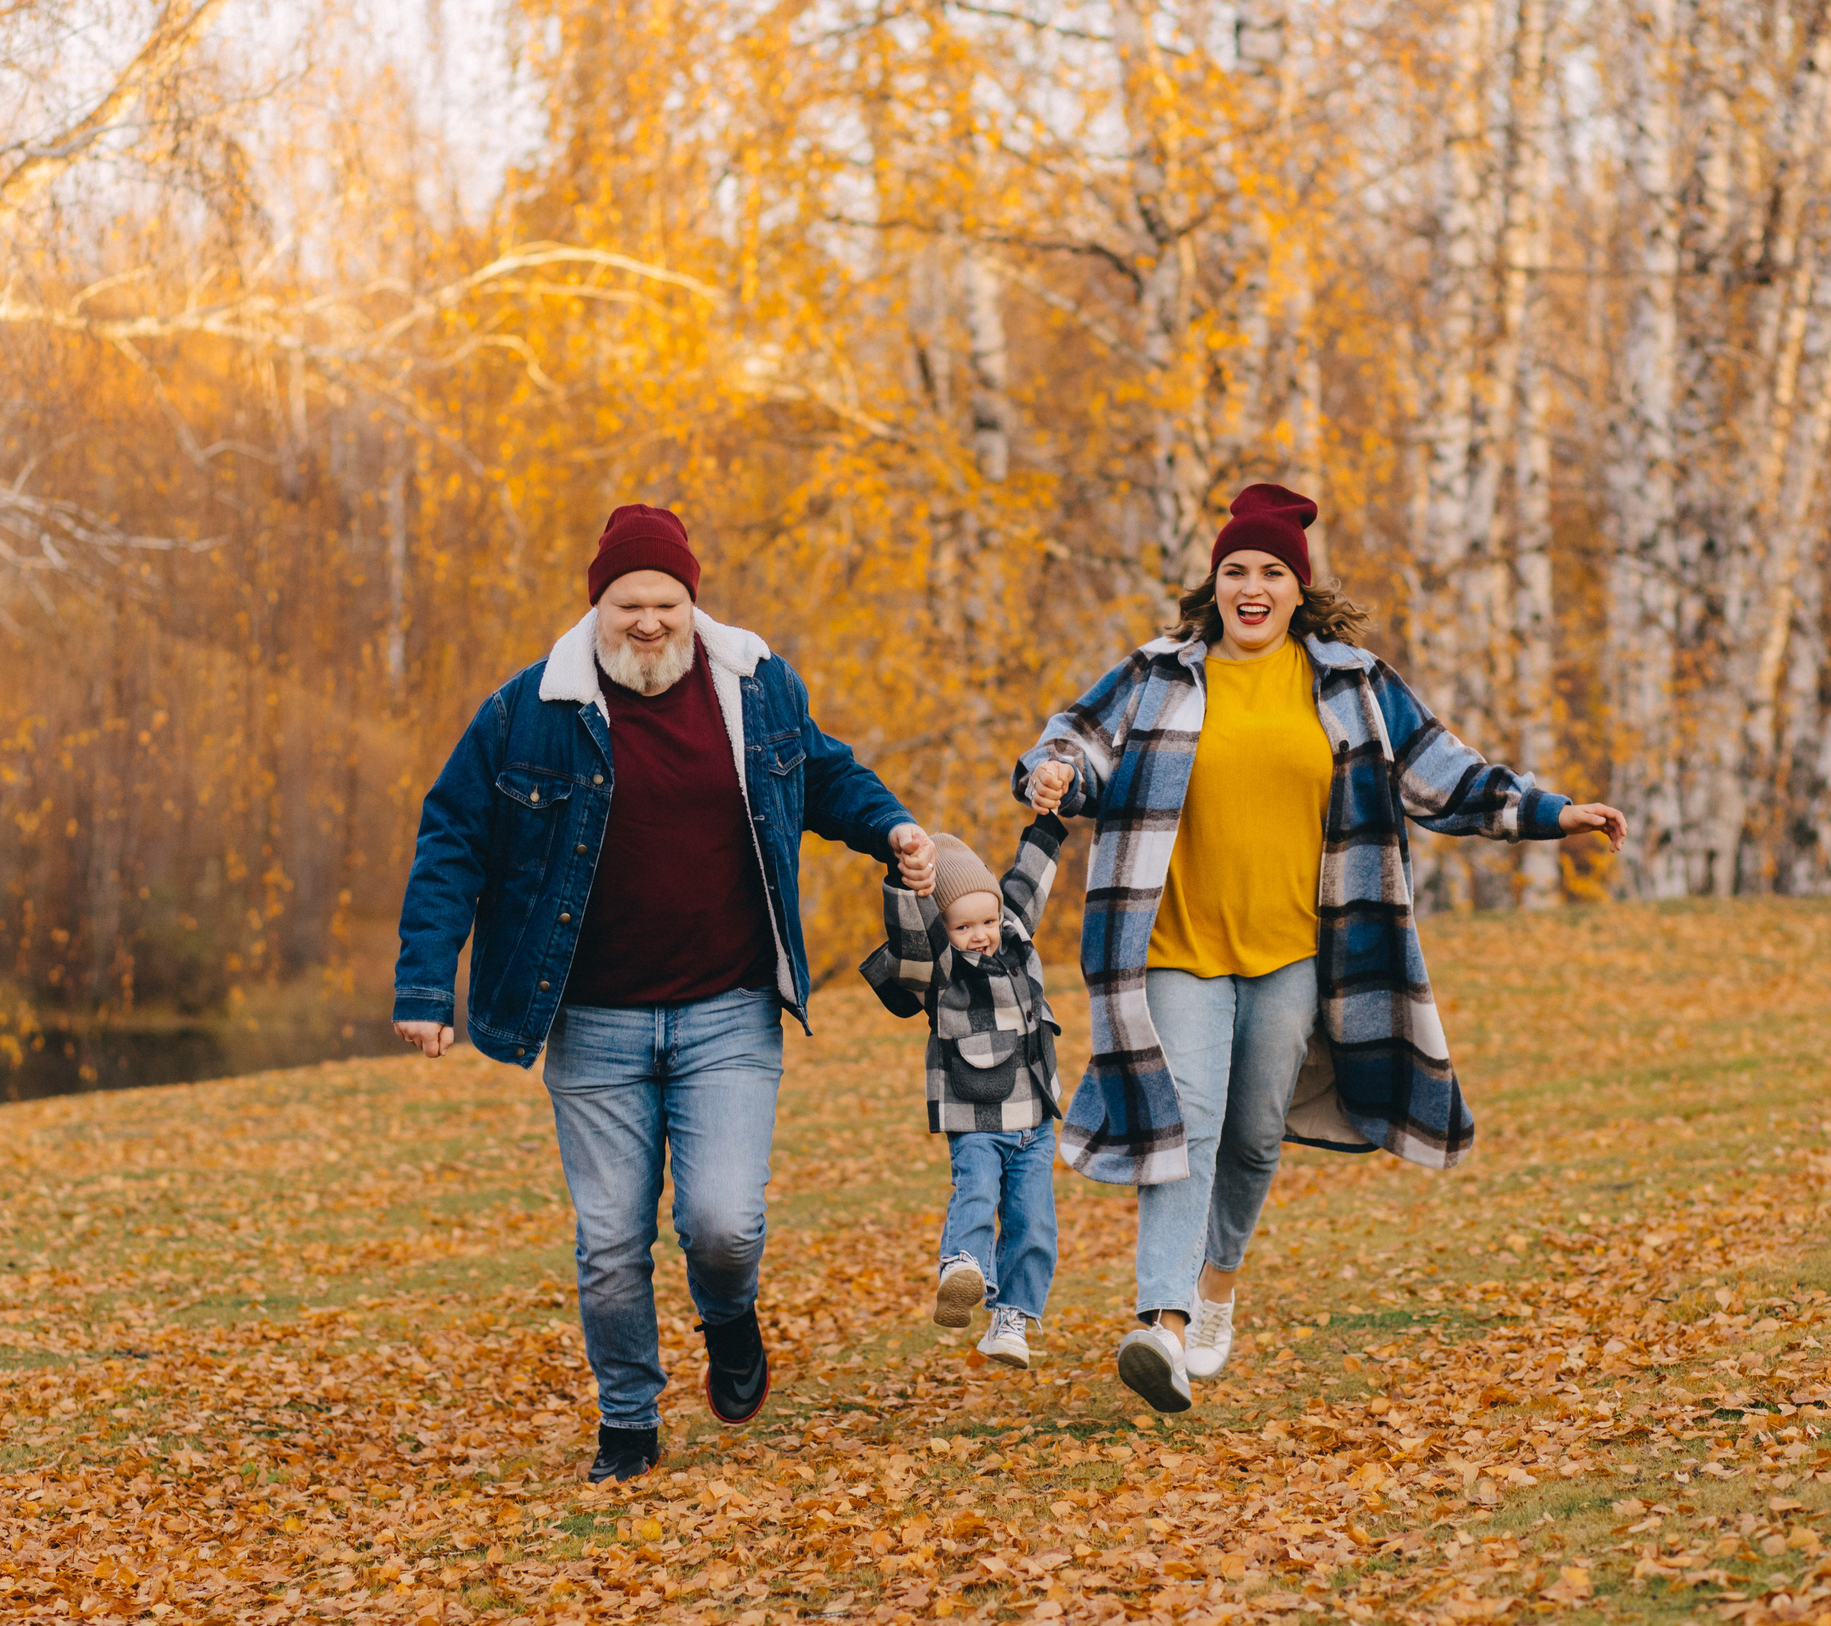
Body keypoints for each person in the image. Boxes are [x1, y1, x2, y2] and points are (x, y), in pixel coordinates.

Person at [1018, 483, 1627, 1414]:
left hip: (1299, 953)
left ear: (1299, 589)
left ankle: (1216, 1289)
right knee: (1189, 1121)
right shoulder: (1157, 674)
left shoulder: (1352, 683)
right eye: (1235, 571)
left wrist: (1549, 813)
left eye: (1270, 572)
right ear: (1213, 586)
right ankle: (1165, 1328)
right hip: (1175, 943)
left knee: (1256, 1133)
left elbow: (1446, 775)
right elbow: (1078, 743)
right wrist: (1054, 771)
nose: (1252, 587)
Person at [391, 503, 937, 1483]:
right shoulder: (528, 712)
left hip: (727, 1009)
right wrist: (427, 984)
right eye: (628, 603)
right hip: (593, 1024)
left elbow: (821, 772)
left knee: (722, 1226)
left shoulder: (754, 690)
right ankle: (629, 1424)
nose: (648, 622)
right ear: (597, 604)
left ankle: (729, 1323)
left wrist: (889, 828)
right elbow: (452, 839)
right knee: (609, 1243)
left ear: (693, 602)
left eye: (666, 602)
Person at [859, 819, 1068, 1368]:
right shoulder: (942, 967)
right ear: (943, 930)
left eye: (988, 920)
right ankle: (963, 1267)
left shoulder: (1014, 934)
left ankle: (1012, 1321)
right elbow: (913, 939)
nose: (981, 934)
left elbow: (1029, 879)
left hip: (1035, 1119)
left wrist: (1048, 819)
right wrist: (910, 886)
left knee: (1034, 1223)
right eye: (963, 926)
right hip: (976, 1115)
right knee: (975, 1190)